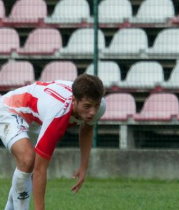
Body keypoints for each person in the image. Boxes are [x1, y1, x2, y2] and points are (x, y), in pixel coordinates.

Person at [1, 74, 106, 210]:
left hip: (36, 118)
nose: (92, 112)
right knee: (27, 159)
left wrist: (83, 167)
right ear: (74, 100)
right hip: (11, 109)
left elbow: (87, 129)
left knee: (27, 166)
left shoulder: (99, 105)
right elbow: (40, 169)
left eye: (95, 106)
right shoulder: (57, 113)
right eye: (87, 106)